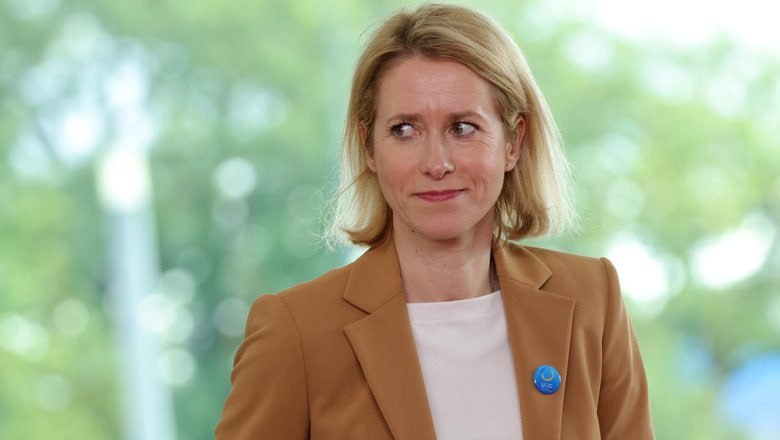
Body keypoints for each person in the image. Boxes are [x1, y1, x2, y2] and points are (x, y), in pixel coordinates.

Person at [216, 3, 654, 439]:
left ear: (513, 143)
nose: (436, 163)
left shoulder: (592, 300)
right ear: (369, 148)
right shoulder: (296, 332)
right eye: (405, 130)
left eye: (462, 128)